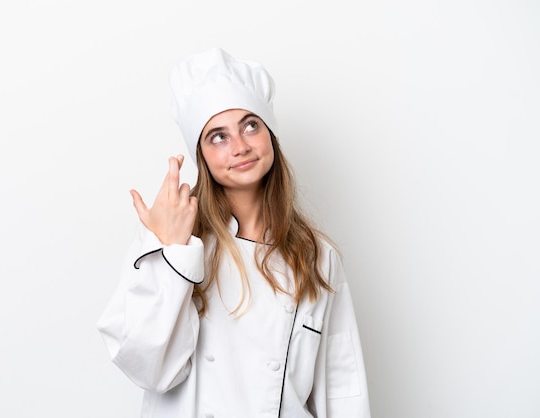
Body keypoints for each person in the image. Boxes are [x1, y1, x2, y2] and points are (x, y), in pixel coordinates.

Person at [97, 47, 371, 417]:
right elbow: (146, 366)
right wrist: (174, 252)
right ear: (202, 156)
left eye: (250, 125)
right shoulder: (176, 235)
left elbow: (342, 387)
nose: (240, 146)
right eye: (218, 137)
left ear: (270, 134)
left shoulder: (318, 255)